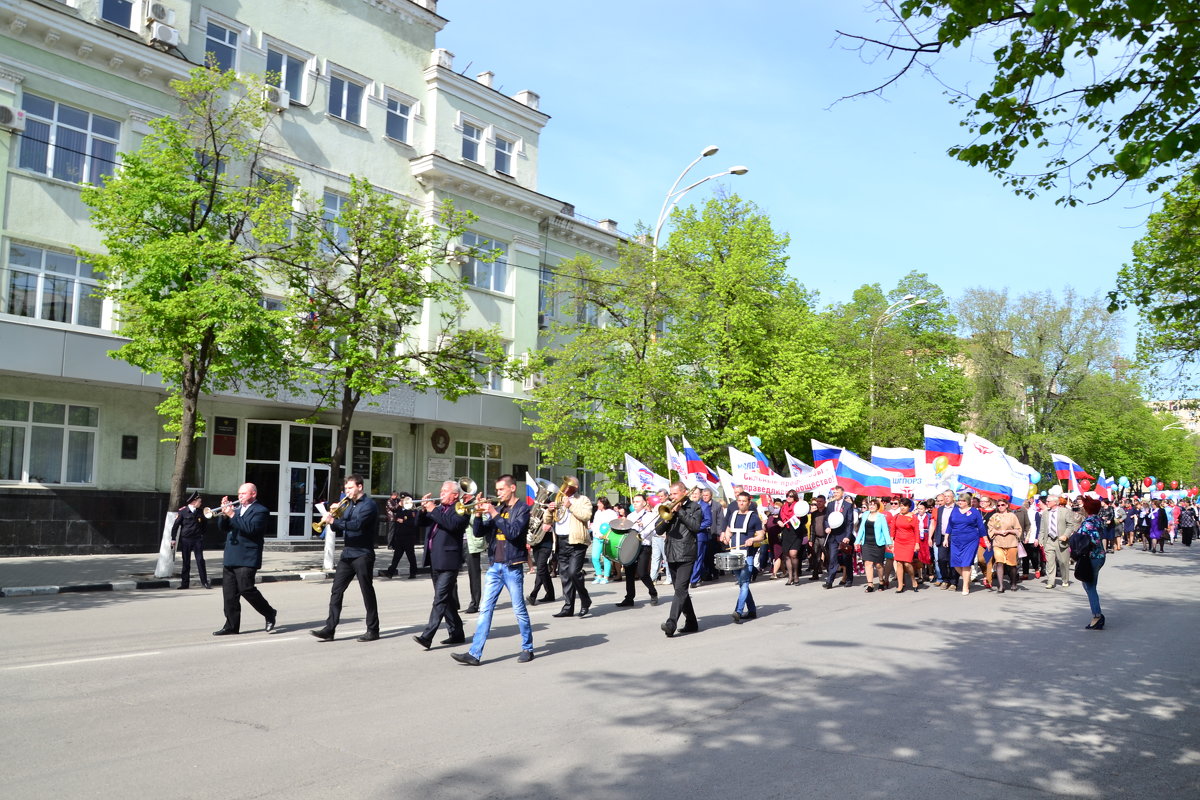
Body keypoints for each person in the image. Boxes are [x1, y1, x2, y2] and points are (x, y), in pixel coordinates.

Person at [452, 475, 534, 665]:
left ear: (512, 488)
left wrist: (493, 513)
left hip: (512, 566)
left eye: (501, 489)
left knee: (519, 609)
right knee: (485, 610)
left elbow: (513, 533)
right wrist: (479, 515)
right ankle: (475, 653)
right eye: (497, 490)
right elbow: (479, 532)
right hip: (494, 567)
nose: (497, 493)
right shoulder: (498, 508)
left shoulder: (522, 509)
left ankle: (527, 648)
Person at [310, 474, 380, 642]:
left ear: (360, 487)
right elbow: (339, 528)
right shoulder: (347, 505)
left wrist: (334, 520)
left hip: (363, 554)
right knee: (336, 590)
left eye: (350, 488)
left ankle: (373, 629)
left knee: (366, 591)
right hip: (348, 553)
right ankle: (330, 628)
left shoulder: (369, 505)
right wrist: (334, 516)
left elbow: (357, 526)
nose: (347, 491)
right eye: (346, 488)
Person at [212, 483, 278, 636]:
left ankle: (269, 613)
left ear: (253, 494)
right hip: (231, 556)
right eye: (239, 493)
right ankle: (231, 626)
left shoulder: (261, 511)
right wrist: (223, 513)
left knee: (246, 589)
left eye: (243, 493)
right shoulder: (236, 510)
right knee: (229, 594)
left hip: (247, 557)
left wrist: (232, 515)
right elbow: (224, 528)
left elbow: (251, 529)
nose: (239, 496)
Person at [412, 480, 469, 650]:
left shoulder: (461, 509)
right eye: (441, 490)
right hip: (435, 559)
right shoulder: (439, 509)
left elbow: (452, 525)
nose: (441, 493)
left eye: (446, 491)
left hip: (449, 561)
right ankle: (457, 633)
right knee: (447, 600)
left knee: (439, 599)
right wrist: (423, 509)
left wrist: (433, 509)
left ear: (455, 495)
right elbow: (419, 524)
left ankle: (427, 636)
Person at [660, 481, 703, 637]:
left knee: (680, 590)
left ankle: (671, 623)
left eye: (674, 494)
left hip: (686, 552)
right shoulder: (669, 508)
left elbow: (696, 527)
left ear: (684, 493)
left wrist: (680, 512)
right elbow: (658, 530)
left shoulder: (695, 507)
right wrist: (667, 518)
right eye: (671, 494)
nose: (672, 497)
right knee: (681, 592)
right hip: (671, 552)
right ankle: (691, 622)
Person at [546, 480, 593, 618]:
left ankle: (585, 600)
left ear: (575, 487)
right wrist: (549, 510)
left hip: (577, 540)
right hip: (561, 540)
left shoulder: (583, 499)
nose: (564, 488)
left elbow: (586, 516)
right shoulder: (558, 499)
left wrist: (570, 506)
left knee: (573, 572)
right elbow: (548, 520)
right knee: (565, 575)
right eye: (564, 485)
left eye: (568, 485)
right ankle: (568, 607)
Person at [721, 491, 764, 622]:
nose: (741, 503)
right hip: (734, 554)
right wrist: (726, 536)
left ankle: (738, 611)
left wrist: (753, 539)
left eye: (744, 501)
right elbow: (729, 529)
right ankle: (752, 611)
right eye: (739, 501)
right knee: (742, 583)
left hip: (747, 555)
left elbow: (761, 535)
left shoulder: (754, 517)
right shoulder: (733, 515)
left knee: (744, 582)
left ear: (749, 502)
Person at [616, 493, 659, 608]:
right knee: (629, 572)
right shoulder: (630, 516)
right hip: (631, 546)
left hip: (644, 545)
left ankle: (653, 592)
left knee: (642, 572)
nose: (635, 503)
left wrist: (643, 525)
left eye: (638, 501)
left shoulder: (650, 515)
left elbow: (654, 532)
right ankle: (629, 598)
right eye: (634, 501)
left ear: (644, 503)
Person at [1073, 493, 1108, 630]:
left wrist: (1079, 539)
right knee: (1088, 584)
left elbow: (1094, 539)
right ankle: (1097, 614)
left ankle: (1097, 615)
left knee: (1090, 586)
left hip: (1092, 556)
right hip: (1098, 555)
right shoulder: (1098, 520)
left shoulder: (1088, 523)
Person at [943, 491, 986, 596]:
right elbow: (950, 525)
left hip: (970, 540)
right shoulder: (955, 511)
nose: (960, 502)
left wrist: (986, 540)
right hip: (956, 540)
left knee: (966, 563)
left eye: (962, 501)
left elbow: (981, 527)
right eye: (959, 500)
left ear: (967, 502)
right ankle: (967, 578)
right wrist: (946, 538)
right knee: (955, 562)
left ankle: (965, 586)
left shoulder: (974, 512)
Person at [1039, 486, 1080, 588]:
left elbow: (1070, 525)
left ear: (1055, 502)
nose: (1046, 503)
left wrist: (1066, 535)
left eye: (1048, 501)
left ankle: (1065, 579)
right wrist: (1041, 539)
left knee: (1063, 562)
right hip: (1049, 540)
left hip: (1061, 540)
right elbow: (1042, 528)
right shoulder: (1045, 513)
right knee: (1049, 562)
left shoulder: (1065, 511)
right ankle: (1050, 581)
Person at [171, 491, 210, 590]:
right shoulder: (183, 512)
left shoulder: (200, 511)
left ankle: (204, 582)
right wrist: (173, 538)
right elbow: (176, 526)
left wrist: (201, 534)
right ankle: (185, 583)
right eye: (199, 501)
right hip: (186, 540)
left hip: (197, 540)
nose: (201, 503)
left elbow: (205, 525)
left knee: (200, 560)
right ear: (194, 502)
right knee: (186, 562)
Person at [855, 498, 893, 592]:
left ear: (877, 507)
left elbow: (885, 530)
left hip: (878, 543)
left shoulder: (881, 517)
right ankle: (870, 584)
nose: (871, 506)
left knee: (879, 565)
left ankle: (881, 581)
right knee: (868, 563)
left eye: (873, 505)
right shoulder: (865, 515)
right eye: (870, 504)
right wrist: (857, 541)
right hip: (866, 543)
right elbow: (861, 530)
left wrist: (889, 543)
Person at [823, 486, 857, 588]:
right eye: (834, 492)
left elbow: (850, 522)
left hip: (843, 536)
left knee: (846, 558)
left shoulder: (848, 505)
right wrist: (827, 527)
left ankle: (849, 579)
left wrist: (847, 536)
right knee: (833, 558)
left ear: (842, 493)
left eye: (837, 492)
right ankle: (829, 581)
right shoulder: (830, 505)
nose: (835, 494)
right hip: (833, 536)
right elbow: (826, 519)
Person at [986, 499, 1022, 593]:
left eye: (1002, 505)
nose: (1000, 507)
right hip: (998, 543)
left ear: (1006, 505)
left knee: (1012, 564)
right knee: (999, 562)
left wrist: (1009, 531)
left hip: (1011, 543)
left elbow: (1018, 529)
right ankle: (1001, 585)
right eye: (998, 505)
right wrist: (998, 532)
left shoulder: (1012, 516)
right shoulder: (994, 516)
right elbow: (990, 529)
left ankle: (1013, 583)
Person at [383, 491, 420, 579]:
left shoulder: (412, 510)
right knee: (396, 557)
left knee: (411, 556)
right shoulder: (400, 508)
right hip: (399, 537)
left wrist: (404, 521)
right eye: (402, 499)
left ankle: (413, 573)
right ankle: (390, 573)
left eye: (404, 499)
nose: (402, 501)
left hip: (408, 537)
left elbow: (414, 523)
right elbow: (393, 511)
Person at [890, 497, 919, 592]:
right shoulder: (896, 516)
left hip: (909, 542)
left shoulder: (913, 517)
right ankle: (900, 584)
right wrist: (891, 542)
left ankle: (913, 579)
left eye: (905, 506)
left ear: (909, 507)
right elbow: (893, 530)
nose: (902, 508)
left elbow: (916, 531)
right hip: (898, 542)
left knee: (907, 563)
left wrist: (917, 543)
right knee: (899, 563)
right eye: (901, 506)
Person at [779, 490, 806, 585]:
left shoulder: (798, 506)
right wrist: (779, 522)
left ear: (794, 497)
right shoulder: (783, 507)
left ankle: (796, 575)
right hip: (786, 533)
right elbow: (778, 518)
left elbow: (804, 519)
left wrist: (797, 520)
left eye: (791, 496)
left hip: (796, 533)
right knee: (787, 555)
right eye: (787, 496)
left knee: (793, 554)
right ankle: (790, 576)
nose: (788, 497)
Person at [689, 487, 714, 587]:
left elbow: (708, 521)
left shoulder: (704, 506)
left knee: (698, 558)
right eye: (693, 493)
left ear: (700, 495)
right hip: (689, 536)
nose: (694, 495)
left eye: (696, 493)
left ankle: (694, 580)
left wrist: (696, 527)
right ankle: (702, 574)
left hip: (700, 535)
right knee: (690, 558)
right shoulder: (689, 505)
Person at [464, 503, 486, 614]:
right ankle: (454, 603)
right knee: (450, 574)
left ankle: (474, 603)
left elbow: (484, 521)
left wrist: (470, 514)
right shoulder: (455, 505)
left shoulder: (476, 504)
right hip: (455, 543)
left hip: (470, 543)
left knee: (474, 575)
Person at [589, 497, 617, 585]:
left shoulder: (611, 513)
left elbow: (613, 524)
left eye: (599, 503)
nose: (598, 505)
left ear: (604, 504)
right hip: (597, 537)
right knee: (595, 557)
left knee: (606, 557)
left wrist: (606, 535)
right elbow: (595, 524)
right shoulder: (597, 512)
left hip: (606, 538)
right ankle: (599, 575)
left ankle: (606, 576)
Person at [807, 495, 828, 581]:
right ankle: (815, 574)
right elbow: (812, 527)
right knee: (815, 556)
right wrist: (811, 539)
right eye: (817, 502)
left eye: (820, 501)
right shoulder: (814, 514)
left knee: (828, 556)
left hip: (825, 537)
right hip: (816, 538)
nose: (818, 503)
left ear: (824, 502)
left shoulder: (827, 512)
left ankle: (830, 573)